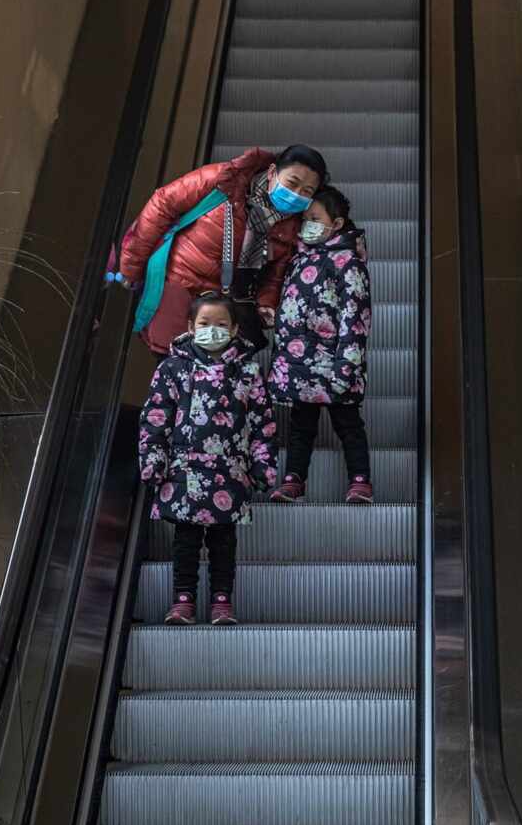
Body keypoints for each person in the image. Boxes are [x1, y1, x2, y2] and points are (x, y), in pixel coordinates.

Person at [138, 292, 276, 625]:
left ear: (234, 329)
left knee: (223, 541)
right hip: (182, 470)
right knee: (185, 539)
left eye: (220, 324)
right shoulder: (172, 368)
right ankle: (182, 600)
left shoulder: (247, 371)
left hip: (230, 471)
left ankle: (221, 602)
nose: (212, 330)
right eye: (204, 324)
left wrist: (263, 467)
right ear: (190, 326)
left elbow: (262, 421)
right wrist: (153, 460)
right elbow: (156, 415)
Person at [117, 145, 329, 357]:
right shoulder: (224, 179)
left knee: (214, 376)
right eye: (292, 183)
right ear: (273, 172)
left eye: (307, 191)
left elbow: (274, 275)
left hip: (224, 307)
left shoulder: (290, 226)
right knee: (171, 360)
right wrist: (131, 266)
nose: (296, 195)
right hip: (179, 284)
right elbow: (161, 206)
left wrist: (266, 304)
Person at [267, 186, 373, 504]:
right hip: (301, 364)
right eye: (305, 219)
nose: (306, 225)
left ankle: (360, 480)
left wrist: (347, 365)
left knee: (348, 424)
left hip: (336, 361)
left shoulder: (348, 263)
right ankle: (293, 479)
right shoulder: (299, 259)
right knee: (301, 426)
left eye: (315, 219)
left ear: (336, 224)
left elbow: (356, 316)